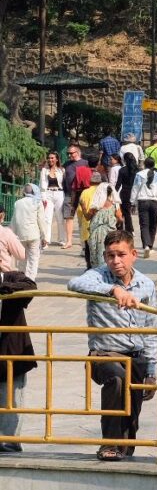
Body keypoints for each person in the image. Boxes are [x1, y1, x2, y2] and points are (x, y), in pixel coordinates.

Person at [68, 230, 157, 461]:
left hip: (136, 357)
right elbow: (74, 283)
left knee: (132, 417)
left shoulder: (146, 285)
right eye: (110, 256)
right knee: (117, 379)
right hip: (104, 354)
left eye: (121, 254)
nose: (116, 261)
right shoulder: (97, 276)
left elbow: (151, 331)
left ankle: (124, 451)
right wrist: (112, 290)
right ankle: (108, 444)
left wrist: (151, 372)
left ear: (133, 254)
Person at [0, 267, 36, 453]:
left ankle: (9, 444)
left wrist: (3, 287)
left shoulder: (13, 277)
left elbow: (30, 287)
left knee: (11, 402)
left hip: (12, 354)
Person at [131, 157, 157, 258]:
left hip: (142, 201)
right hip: (154, 202)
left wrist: (132, 203)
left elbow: (135, 189)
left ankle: (146, 245)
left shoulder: (139, 175)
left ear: (144, 165)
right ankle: (150, 246)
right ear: (153, 165)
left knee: (144, 225)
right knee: (153, 224)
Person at [11, 184, 46, 281]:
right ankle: (30, 280)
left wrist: (12, 236)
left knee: (22, 259)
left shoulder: (17, 203)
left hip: (20, 235)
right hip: (34, 235)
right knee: (33, 259)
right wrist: (44, 237)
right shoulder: (37, 203)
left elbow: (14, 220)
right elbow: (41, 221)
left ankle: (21, 279)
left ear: (24, 192)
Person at [86, 184, 122, 270]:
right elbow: (119, 217)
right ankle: (107, 271)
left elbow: (88, 217)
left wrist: (84, 207)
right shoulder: (115, 205)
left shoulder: (96, 206)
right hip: (109, 234)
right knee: (108, 252)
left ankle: (97, 272)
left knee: (95, 254)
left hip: (95, 233)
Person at [61, 145, 90, 249]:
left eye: (71, 153)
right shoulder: (67, 164)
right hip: (69, 193)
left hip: (82, 193)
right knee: (68, 217)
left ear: (78, 152)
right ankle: (69, 241)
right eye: (68, 153)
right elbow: (64, 178)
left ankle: (84, 241)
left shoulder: (85, 163)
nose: (69, 155)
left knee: (83, 217)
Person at [76, 170, 103, 267]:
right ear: (100, 182)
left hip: (88, 224)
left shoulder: (85, 192)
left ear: (90, 181)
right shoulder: (104, 191)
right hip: (101, 225)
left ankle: (89, 266)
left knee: (88, 248)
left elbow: (80, 210)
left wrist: (80, 221)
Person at [39, 151, 64, 244]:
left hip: (59, 193)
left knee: (60, 217)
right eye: (49, 158)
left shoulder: (61, 170)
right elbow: (42, 185)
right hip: (48, 194)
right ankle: (46, 239)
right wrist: (43, 198)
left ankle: (61, 239)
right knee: (47, 218)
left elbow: (64, 184)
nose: (50, 160)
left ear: (57, 159)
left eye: (52, 158)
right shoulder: (44, 171)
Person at [115, 152, 139, 239]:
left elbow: (118, 184)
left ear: (124, 160)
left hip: (125, 192)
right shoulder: (137, 170)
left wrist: (113, 193)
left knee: (123, 212)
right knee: (128, 212)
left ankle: (122, 229)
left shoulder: (122, 170)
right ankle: (130, 230)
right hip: (134, 192)